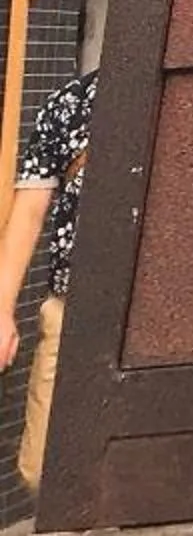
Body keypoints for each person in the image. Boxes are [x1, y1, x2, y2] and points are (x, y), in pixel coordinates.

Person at [0, 68, 93, 493]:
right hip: (69, 306)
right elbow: (30, 210)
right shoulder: (69, 102)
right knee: (43, 470)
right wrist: (2, 309)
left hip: (160, 313)